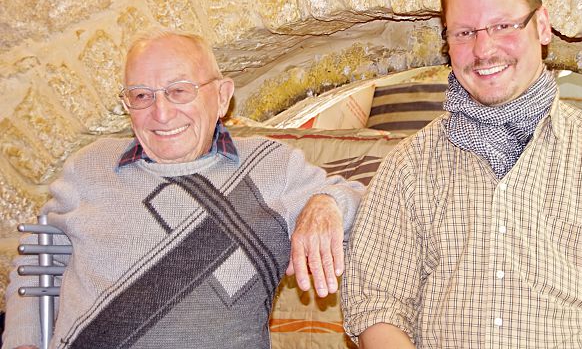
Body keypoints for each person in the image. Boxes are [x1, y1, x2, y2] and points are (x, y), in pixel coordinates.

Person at [341, 0, 582, 348]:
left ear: (542, 26)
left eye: (503, 26)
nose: (483, 49)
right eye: (464, 33)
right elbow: (378, 306)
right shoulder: (408, 166)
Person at [3, 30, 364, 349]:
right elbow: (36, 261)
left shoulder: (272, 166)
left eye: (178, 91)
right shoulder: (88, 166)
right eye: (141, 96)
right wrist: (23, 341)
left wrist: (326, 202)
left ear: (222, 97)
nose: (161, 113)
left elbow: (375, 210)